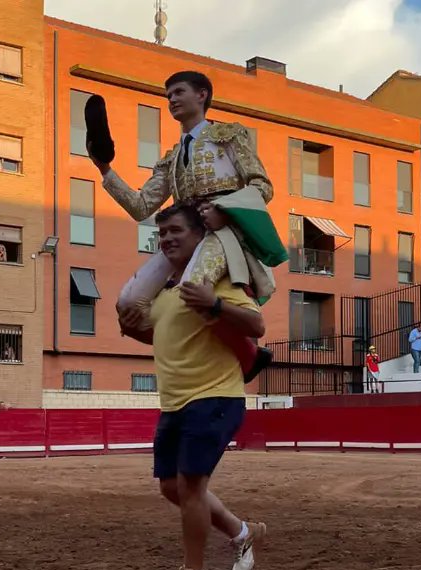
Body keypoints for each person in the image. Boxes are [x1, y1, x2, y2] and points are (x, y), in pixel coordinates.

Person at [97, 70, 284, 385]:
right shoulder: (171, 159)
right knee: (129, 303)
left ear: (202, 95)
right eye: (168, 95)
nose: (171, 99)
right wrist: (104, 169)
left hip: (223, 234)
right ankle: (190, 347)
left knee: (192, 289)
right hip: (186, 235)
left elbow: (262, 185)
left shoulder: (229, 135)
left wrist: (225, 212)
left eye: (178, 92)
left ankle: (248, 354)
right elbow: (141, 206)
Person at [117, 205, 267, 570]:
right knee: (171, 486)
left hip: (214, 396)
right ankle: (242, 532)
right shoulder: (167, 293)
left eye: (176, 230)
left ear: (200, 236)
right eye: (162, 233)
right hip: (175, 403)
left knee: (190, 486)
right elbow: (168, 335)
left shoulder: (218, 282)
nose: (167, 238)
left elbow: (257, 325)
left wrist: (215, 303)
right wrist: (132, 330)